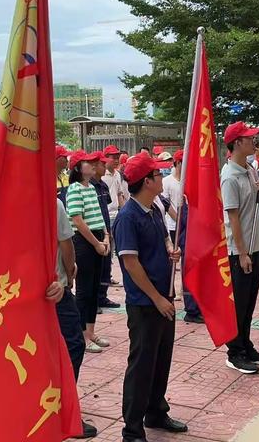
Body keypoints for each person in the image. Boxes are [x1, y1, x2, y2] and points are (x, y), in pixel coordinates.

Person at [113, 153, 187, 442]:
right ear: (147, 182)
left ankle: (155, 411)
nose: (162, 177)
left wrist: (171, 253)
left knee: (161, 360)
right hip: (146, 304)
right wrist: (156, 298)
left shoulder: (154, 208)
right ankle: (132, 429)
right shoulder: (128, 218)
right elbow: (131, 264)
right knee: (141, 365)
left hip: (163, 297)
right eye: (157, 174)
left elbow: (158, 246)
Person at [221, 121, 259, 375]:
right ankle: (234, 351)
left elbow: (252, 201)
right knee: (239, 303)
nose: (255, 142)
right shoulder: (229, 177)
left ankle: (246, 343)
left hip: (255, 245)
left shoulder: (250, 169)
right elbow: (233, 218)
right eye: (250, 138)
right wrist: (241, 253)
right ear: (237, 143)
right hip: (239, 250)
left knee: (250, 300)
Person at [55, 198, 97, 439]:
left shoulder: (2, 199)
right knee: (73, 344)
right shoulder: (52, 202)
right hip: (54, 291)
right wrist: (68, 273)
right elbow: (65, 243)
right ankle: (63, 408)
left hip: (18, 292)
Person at [66, 150, 109, 353]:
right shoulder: (74, 189)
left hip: (98, 239)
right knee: (84, 290)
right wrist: (96, 243)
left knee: (93, 288)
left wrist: (106, 237)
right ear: (77, 168)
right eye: (88, 163)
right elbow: (77, 220)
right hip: (84, 242)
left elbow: (99, 216)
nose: (93, 165)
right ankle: (82, 334)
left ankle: (91, 331)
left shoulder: (91, 188)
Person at [91, 151, 120, 310]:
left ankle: (102, 296)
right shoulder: (89, 186)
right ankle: (94, 300)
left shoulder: (102, 185)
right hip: (96, 230)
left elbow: (108, 204)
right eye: (102, 164)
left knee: (106, 264)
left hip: (106, 226)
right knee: (95, 266)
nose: (104, 166)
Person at [177, 201, 204, 324]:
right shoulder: (185, 203)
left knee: (199, 278)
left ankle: (198, 307)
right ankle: (191, 311)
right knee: (190, 278)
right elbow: (183, 223)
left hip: (199, 243)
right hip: (188, 244)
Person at [102, 145, 125, 289]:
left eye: (118, 157)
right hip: (106, 215)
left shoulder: (117, 175)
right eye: (113, 157)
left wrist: (123, 212)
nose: (116, 160)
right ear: (106, 158)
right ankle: (105, 278)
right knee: (107, 249)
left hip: (116, 215)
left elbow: (119, 194)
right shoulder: (101, 175)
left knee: (116, 247)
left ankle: (109, 275)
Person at [162, 149, 183, 300]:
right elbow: (166, 205)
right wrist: (178, 219)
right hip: (172, 226)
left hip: (185, 226)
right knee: (173, 257)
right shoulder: (167, 181)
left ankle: (183, 289)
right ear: (177, 163)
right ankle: (172, 288)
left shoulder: (189, 180)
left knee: (186, 258)